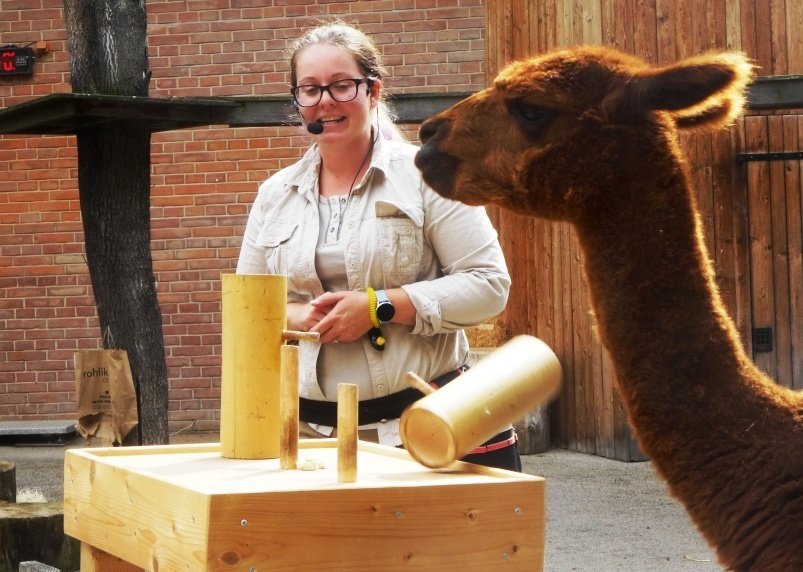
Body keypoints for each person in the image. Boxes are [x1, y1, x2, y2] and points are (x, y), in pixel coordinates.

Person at [236, 21, 519, 471]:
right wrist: (299, 316)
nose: (325, 100)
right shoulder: (275, 195)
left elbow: (488, 286)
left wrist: (380, 306)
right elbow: (248, 309)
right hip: (309, 442)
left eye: (341, 85)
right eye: (310, 89)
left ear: (373, 92)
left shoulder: (430, 177)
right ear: (298, 102)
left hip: (423, 432)